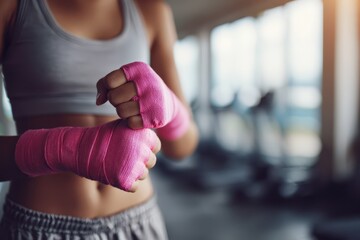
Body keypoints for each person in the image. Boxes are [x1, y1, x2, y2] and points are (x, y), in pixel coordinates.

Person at [0, 0, 199, 239]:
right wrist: (63, 148)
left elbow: (183, 147)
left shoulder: (152, 11)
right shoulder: (10, 6)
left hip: (138, 222)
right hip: (41, 228)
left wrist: (171, 108)